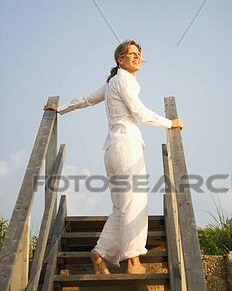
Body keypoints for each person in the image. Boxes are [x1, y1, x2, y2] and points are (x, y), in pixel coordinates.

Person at [44, 40, 184, 274]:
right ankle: (133, 261)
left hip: (113, 150)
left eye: (139, 54)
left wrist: (60, 109)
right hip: (126, 147)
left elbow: (86, 100)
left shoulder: (112, 83)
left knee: (121, 207)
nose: (136, 57)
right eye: (131, 54)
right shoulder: (123, 81)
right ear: (120, 59)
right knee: (134, 202)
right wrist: (169, 123)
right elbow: (138, 112)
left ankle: (100, 252)